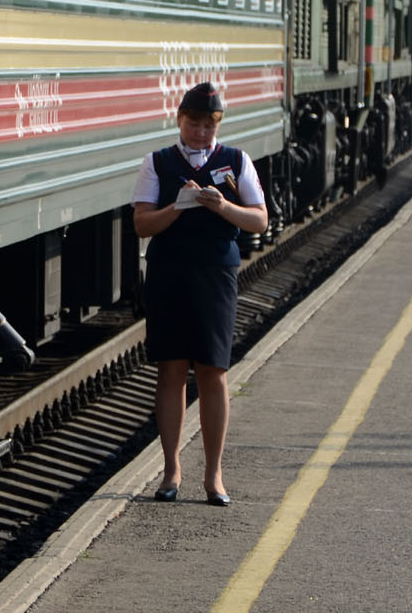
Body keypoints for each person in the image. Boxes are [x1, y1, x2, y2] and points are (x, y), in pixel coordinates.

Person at [132, 82, 269, 505]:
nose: (200, 133)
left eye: (208, 126)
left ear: (217, 126)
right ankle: (171, 469)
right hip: (170, 272)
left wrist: (221, 207)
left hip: (215, 275)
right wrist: (178, 205)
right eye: (193, 124)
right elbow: (142, 225)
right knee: (171, 368)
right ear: (180, 120)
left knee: (213, 371)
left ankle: (214, 475)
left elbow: (259, 220)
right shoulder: (157, 163)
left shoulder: (236, 161)